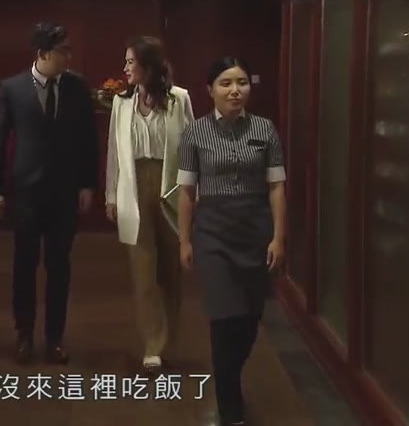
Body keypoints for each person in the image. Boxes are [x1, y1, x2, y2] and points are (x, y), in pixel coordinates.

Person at [176, 56, 286, 425]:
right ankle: (229, 407)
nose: (235, 90)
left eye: (241, 82)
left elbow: (276, 187)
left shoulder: (265, 130)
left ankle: (229, 376)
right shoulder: (195, 133)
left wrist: (278, 237)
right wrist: (185, 240)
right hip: (213, 233)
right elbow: (186, 192)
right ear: (210, 90)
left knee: (250, 318)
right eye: (226, 83)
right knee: (224, 319)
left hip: (255, 230)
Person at [0, 22, 99, 365]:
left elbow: (88, 139)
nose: (69, 56)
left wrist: (87, 183)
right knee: (24, 265)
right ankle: (23, 334)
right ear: (43, 53)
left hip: (64, 192)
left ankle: (55, 338)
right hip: (25, 192)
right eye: (63, 51)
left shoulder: (77, 87)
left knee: (59, 266)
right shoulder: (12, 89)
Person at [104, 36, 194, 374]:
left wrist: (193, 192)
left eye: (131, 62)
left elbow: (191, 147)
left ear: (148, 65)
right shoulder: (121, 102)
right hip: (134, 187)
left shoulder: (178, 99)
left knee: (170, 269)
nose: (125, 68)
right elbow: (114, 152)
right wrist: (111, 195)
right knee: (143, 270)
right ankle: (152, 345)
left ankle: (170, 338)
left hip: (171, 186)